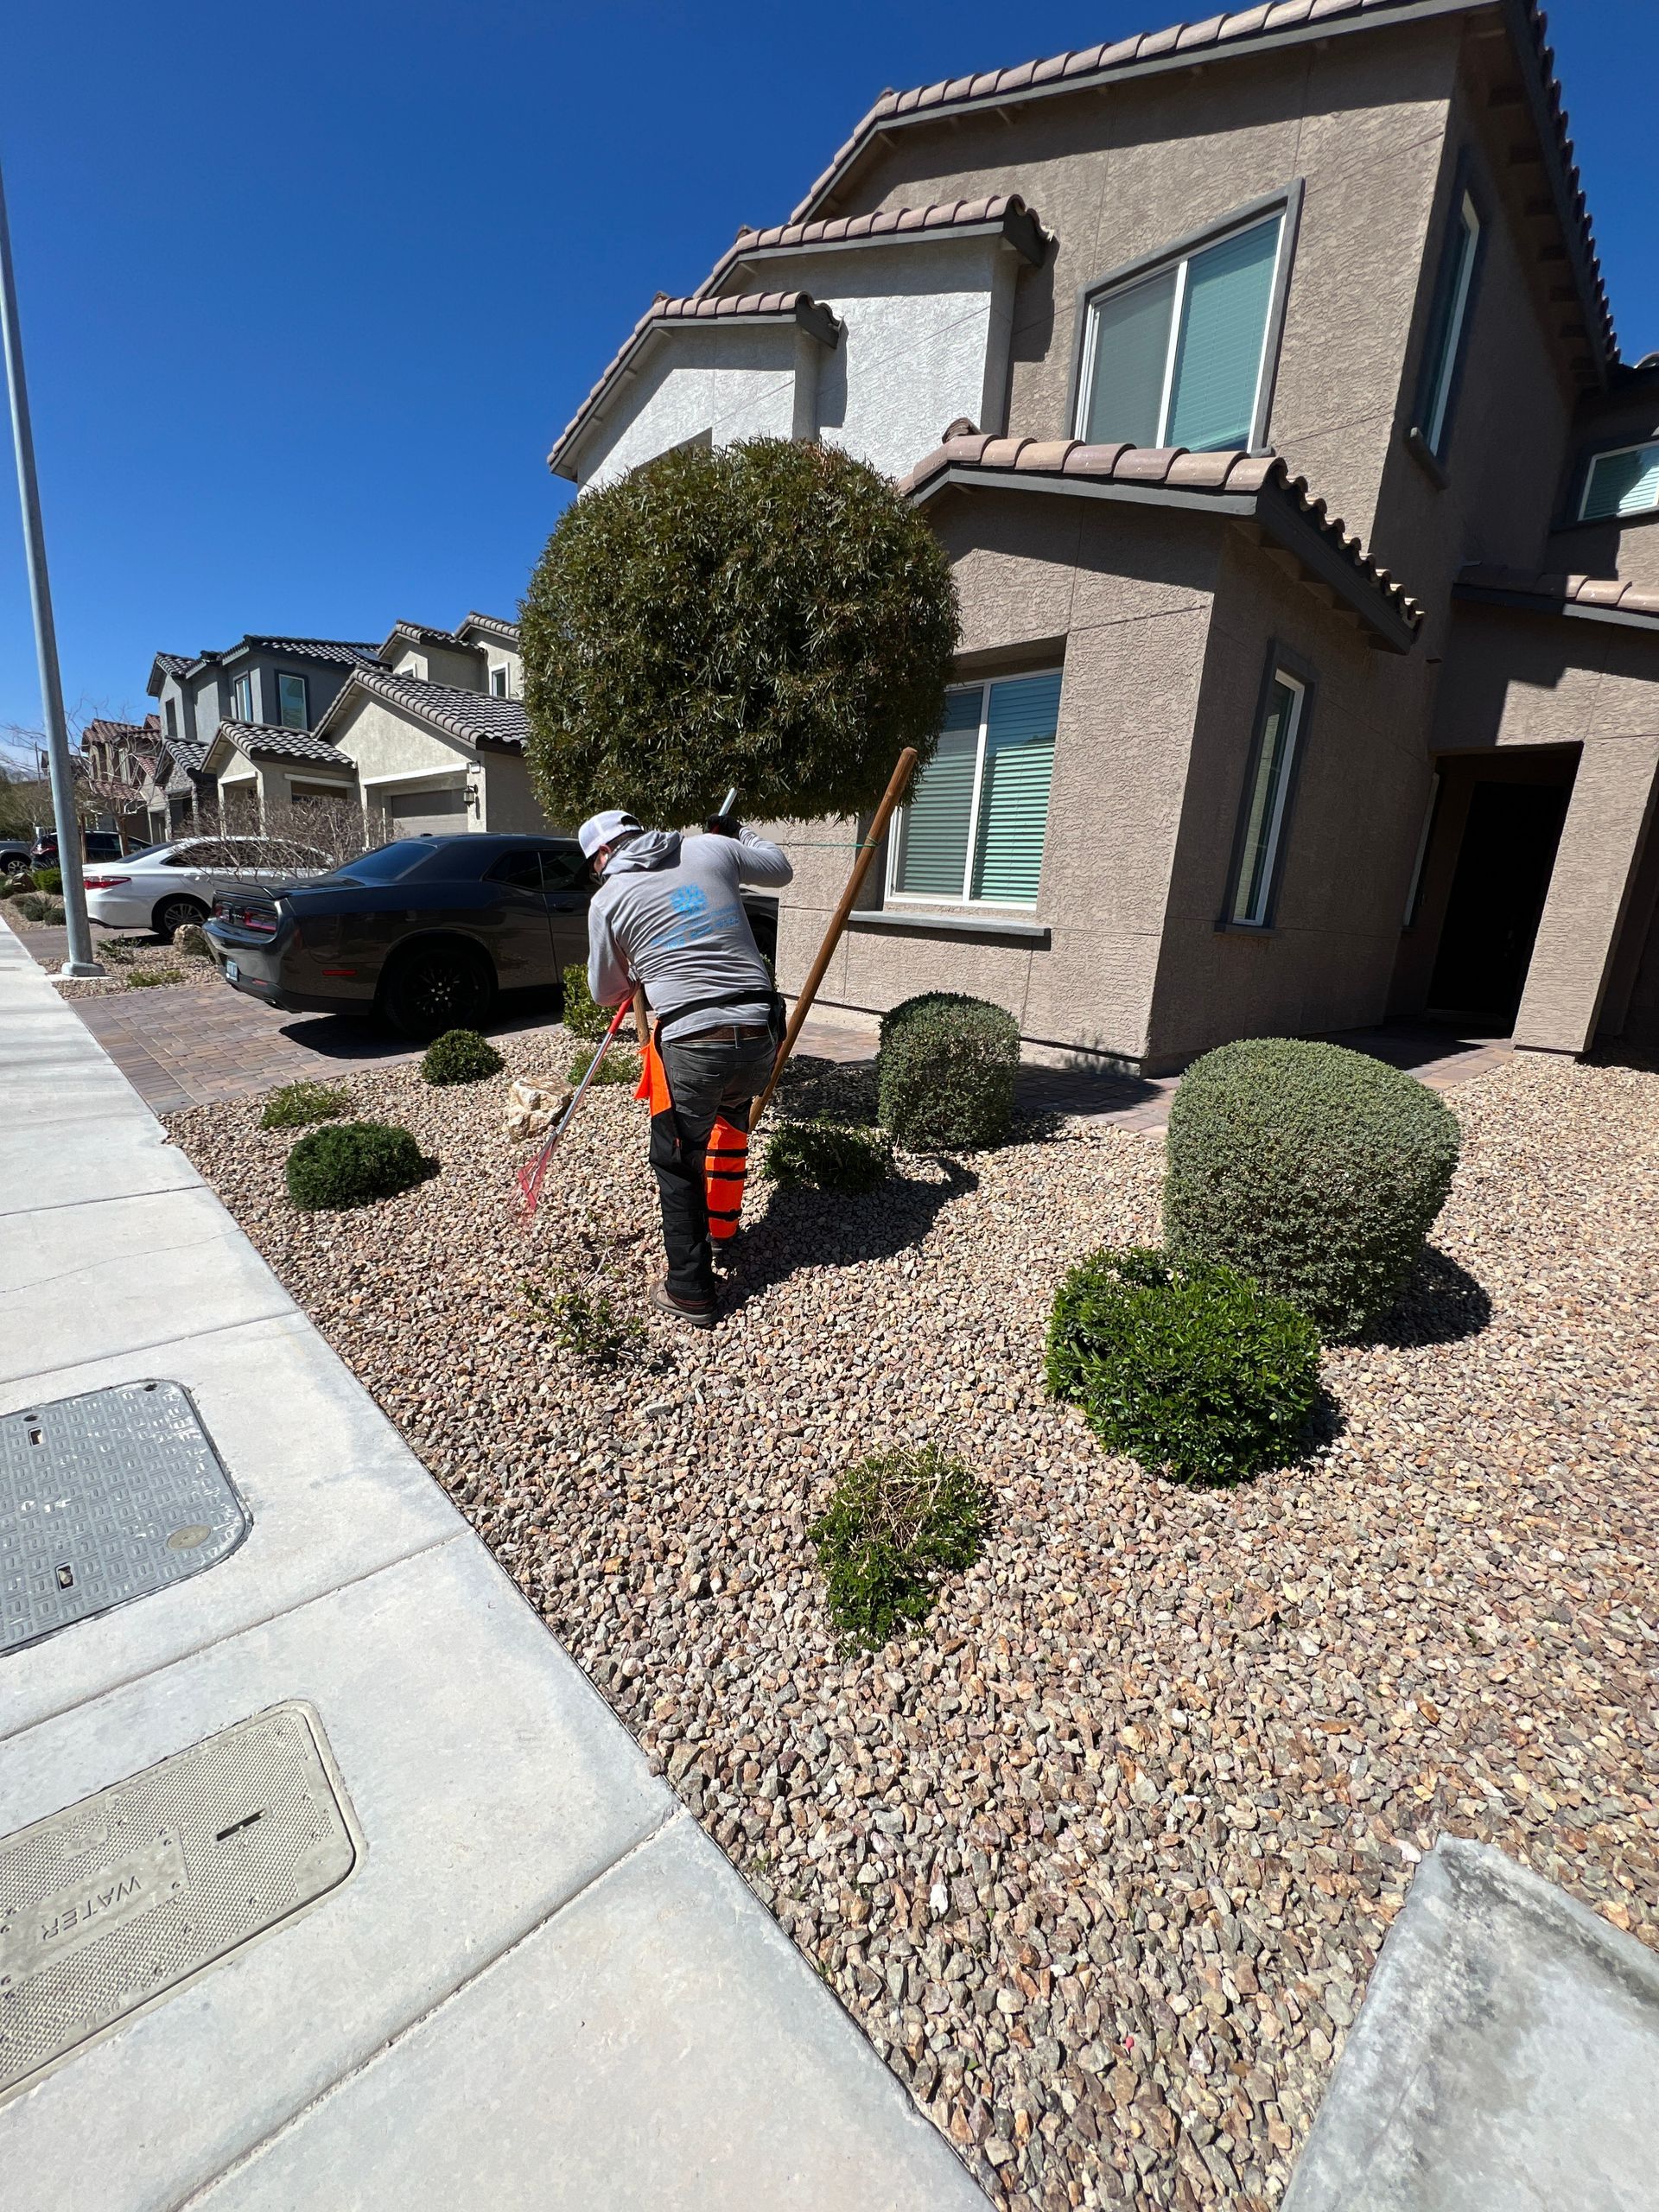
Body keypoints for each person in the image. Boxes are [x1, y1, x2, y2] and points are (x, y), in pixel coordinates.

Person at [581, 805, 793, 1327]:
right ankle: (724, 1235)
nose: (598, 874)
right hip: (763, 1031)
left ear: (604, 854)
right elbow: (780, 869)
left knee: (677, 1160)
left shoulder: (607, 899)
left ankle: (691, 1290)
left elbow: (606, 993)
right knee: (730, 1123)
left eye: (594, 865)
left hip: (696, 1041)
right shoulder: (708, 847)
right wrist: (736, 831)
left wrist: (639, 959)